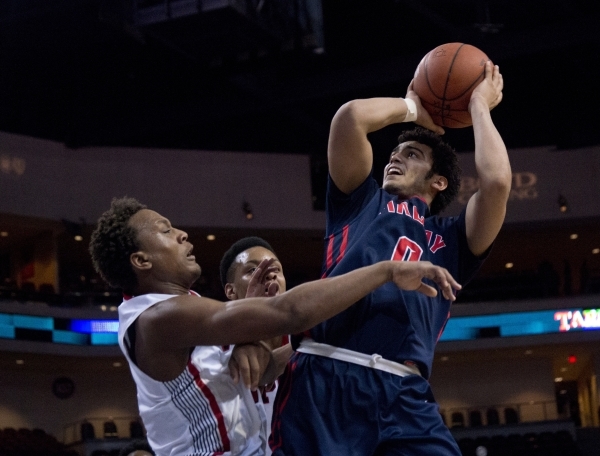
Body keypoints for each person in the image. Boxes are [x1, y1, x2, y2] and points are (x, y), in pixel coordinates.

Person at [89, 197, 461, 456]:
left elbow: (267, 366)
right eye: (166, 231)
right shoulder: (156, 319)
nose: (182, 234)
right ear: (141, 260)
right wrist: (386, 270)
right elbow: (291, 313)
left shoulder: (188, 312)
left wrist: (255, 338)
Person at [270, 61, 511, 455]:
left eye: (411, 154)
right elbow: (350, 119)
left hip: (406, 391)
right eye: (394, 153)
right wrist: (411, 108)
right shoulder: (359, 202)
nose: (393, 159)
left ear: (439, 181)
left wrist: (479, 106)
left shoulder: (451, 239)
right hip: (329, 375)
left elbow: (497, 182)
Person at [220, 236, 294, 456]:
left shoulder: (308, 341)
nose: (270, 274)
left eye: (276, 269)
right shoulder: (215, 351)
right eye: (253, 271)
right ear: (231, 291)